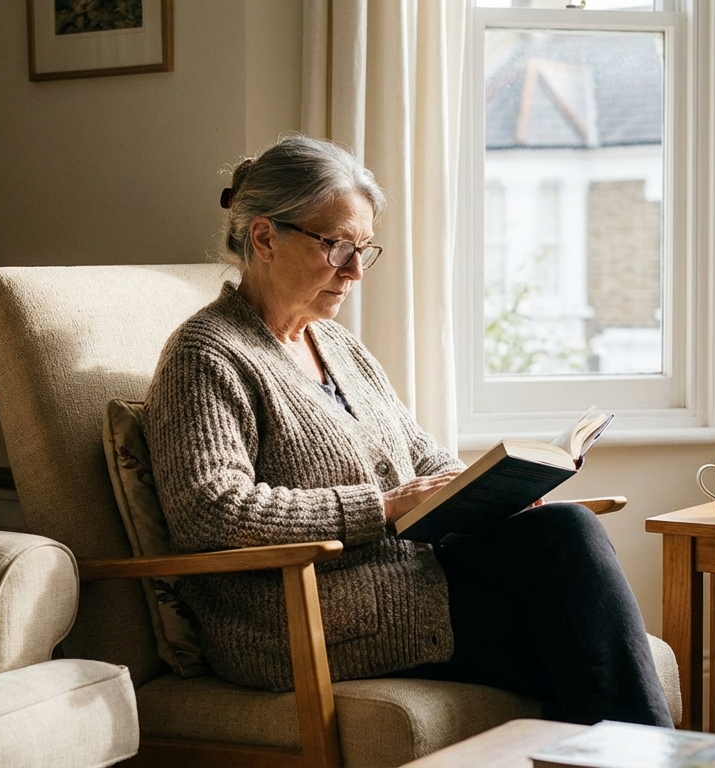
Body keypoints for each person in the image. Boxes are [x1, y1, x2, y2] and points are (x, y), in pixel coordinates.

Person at [144, 134, 671, 727]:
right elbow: (211, 511)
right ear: (265, 237)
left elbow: (418, 455)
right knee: (577, 641)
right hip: (305, 615)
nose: (354, 272)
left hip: (409, 585)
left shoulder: (336, 345)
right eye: (337, 245)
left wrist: (496, 489)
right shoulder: (206, 354)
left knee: (562, 532)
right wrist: (384, 505)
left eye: (363, 250)